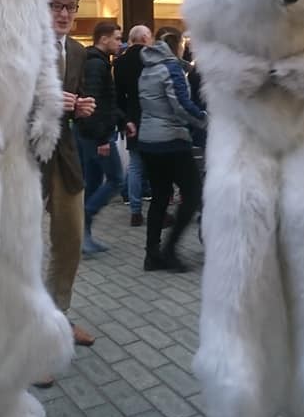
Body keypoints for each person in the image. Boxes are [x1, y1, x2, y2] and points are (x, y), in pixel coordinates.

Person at [44, 0, 97, 349]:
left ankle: (57, 315)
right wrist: (46, 102)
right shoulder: (18, 47)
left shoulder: (78, 52)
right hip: (23, 159)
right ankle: (24, 330)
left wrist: (81, 110)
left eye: (70, 7)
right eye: (55, 6)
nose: (64, 14)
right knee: (23, 246)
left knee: (71, 239)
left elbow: (72, 113)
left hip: (64, 158)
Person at [138, 30, 206, 272]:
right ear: (177, 45)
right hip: (171, 140)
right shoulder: (170, 68)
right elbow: (181, 105)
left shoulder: (147, 65)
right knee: (194, 193)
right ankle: (170, 250)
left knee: (159, 196)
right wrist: (204, 120)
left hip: (148, 141)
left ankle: (152, 255)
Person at [76, 20, 124, 255]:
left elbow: (105, 101)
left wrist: (124, 120)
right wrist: (103, 138)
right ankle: (85, 217)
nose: (120, 42)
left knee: (92, 182)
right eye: (116, 38)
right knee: (116, 178)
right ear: (103, 39)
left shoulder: (97, 62)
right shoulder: (97, 65)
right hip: (96, 135)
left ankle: (83, 236)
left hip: (88, 134)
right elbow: (93, 104)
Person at [114, 24, 153, 227]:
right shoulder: (151, 58)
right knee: (156, 163)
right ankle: (159, 209)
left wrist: (124, 119)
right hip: (152, 115)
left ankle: (135, 211)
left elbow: (119, 95)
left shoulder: (120, 63)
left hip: (132, 116)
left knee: (136, 165)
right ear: (145, 38)